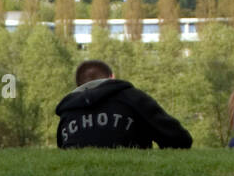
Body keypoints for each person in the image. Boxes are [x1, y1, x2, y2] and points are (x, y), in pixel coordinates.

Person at [55, 59, 192, 149]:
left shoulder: (67, 111)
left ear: (79, 85)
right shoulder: (132, 97)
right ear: (112, 78)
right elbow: (179, 139)